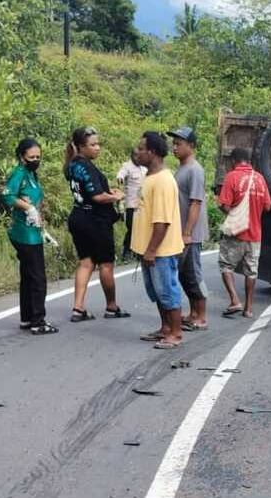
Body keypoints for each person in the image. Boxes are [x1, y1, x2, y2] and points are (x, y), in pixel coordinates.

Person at [64, 125, 130, 322]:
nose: (97, 148)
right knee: (106, 264)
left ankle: (78, 307)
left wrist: (106, 193)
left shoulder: (71, 166)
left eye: (98, 144)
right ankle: (111, 306)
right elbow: (97, 196)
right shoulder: (86, 167)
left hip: (78, 216)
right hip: (95, 220)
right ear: (80, 147)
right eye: (92, 145)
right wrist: (116, 197)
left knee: (85, 262)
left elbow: (87, 192)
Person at [131, 131, 186, 350]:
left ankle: (176, 333)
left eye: (142, 149)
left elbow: (162, 221)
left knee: (167, 290)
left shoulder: (163, 180)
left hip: (160, 250)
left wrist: (152, 250)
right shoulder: (150, 176)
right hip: (149, 249)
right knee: (156, 291)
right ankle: (165, 328)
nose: (138, 152)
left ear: (152, 153)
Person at [3, 138, 56, 334]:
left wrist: (43, 229)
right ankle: (38, 321)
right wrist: (27, 207)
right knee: (37, 278)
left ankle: (27, 318)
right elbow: (7, 195)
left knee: (28, 276)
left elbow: (36, 200)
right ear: (22, 156)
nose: (35, 159)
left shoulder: (31, 174)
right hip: (24, 234)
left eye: (38, 157)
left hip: (33, 231)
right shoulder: (19, 174)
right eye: (31, 157)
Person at [216, 147, 271, 318]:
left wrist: (234, 215)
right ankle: (248, 308)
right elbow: (268, 206)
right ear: (249, 161)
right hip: (255, 234)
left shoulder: (232, 177)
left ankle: (234, 300)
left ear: (234, 161)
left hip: (236, 233)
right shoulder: (260, 178)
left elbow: (223, 204)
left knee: (225, 265)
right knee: (251, 271)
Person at [169, 126, 210, 332]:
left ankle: (201, 316)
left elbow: (195, 202)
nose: (174, 147)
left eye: (179, 144)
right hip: (183, 232)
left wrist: (186, 232)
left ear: (191, 146)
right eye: (174, 144)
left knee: (193, 274)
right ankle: (193, 313)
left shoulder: (195, 169)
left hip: (190, 233)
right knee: (185, 274)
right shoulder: (182, 168)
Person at [116, 148, 146, 262]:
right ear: (132, 156)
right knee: (132, 229)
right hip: (131, 205)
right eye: (136, 156)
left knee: (141, 229)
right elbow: (121, 174)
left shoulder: (144, 167)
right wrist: (120, 178)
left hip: (142, 205)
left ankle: (138, 252)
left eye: (140, 156)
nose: (138, 158)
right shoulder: (127, 166)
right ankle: (126, 252)